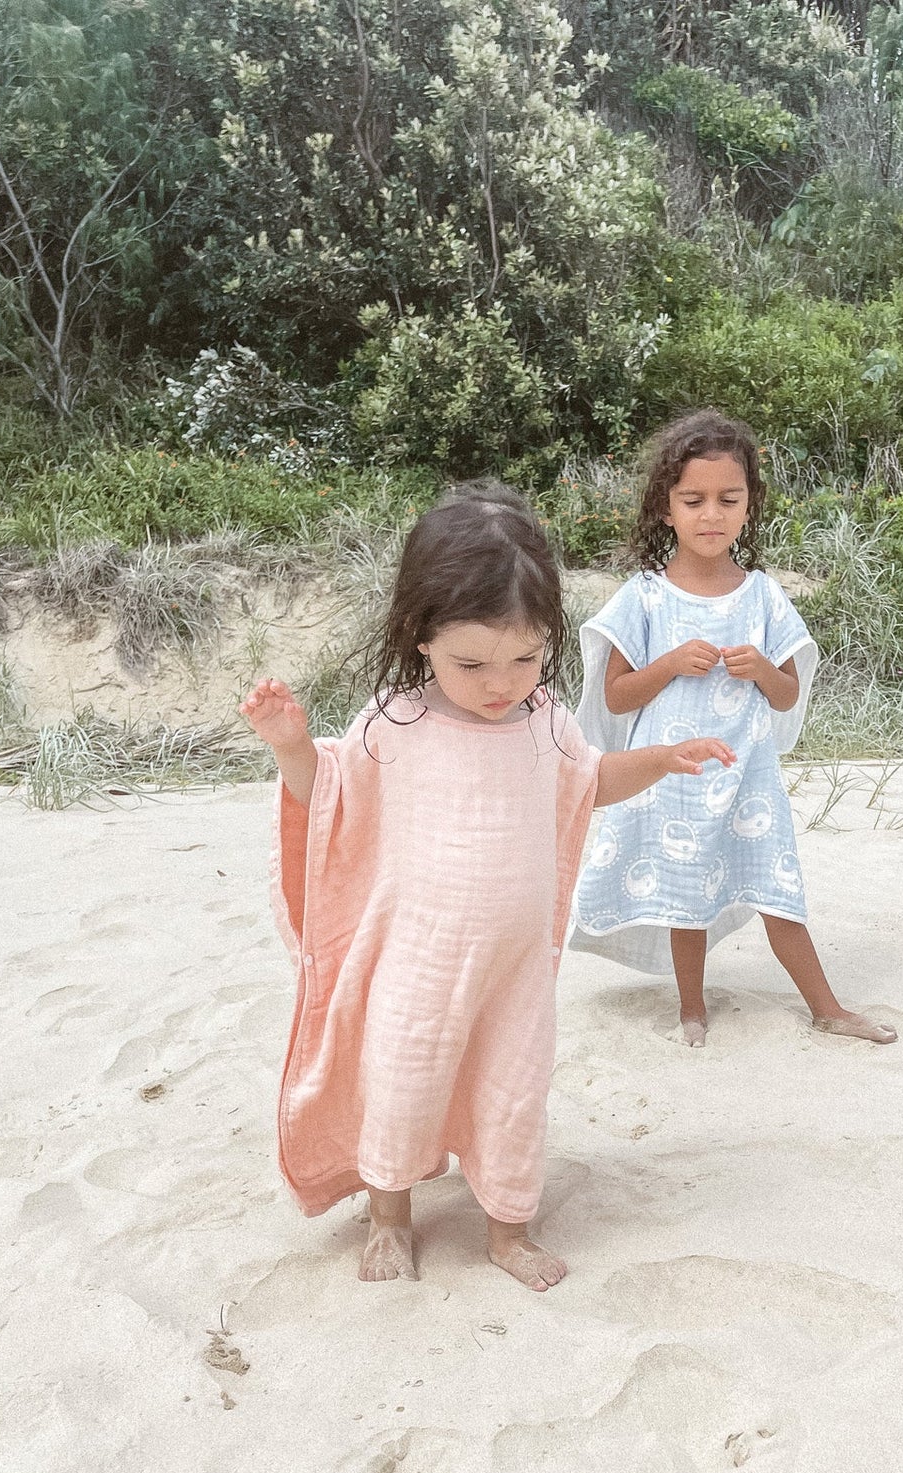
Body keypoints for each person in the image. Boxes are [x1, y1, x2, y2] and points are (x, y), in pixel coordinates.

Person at [240, 484, 734, 1290]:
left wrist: (659, 758)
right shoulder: (393, 722)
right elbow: (328, 797)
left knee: (513, 1094)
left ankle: (508, 1231)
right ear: (420, 636)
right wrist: (291, 745)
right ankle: (390, 1218)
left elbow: (587, 784)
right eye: (471, 662)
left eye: (527, 656)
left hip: (516, 965)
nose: (501, 681)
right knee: (401, 1083)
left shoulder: (545, 720)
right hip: (417, 962)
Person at [571, 410, 896, 1047]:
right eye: (693, 501)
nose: (711, 515)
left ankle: (827, 1007)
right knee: (686, 896)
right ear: (666, 508)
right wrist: (666, 664)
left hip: (747, 777)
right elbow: (613, 696)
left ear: (749, 506)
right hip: (680, 780)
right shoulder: (644, 597)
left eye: (728, 499)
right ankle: (691, 1009)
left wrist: (760, 671)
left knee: (778, 887)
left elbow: (787, 694)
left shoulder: (762, 596)